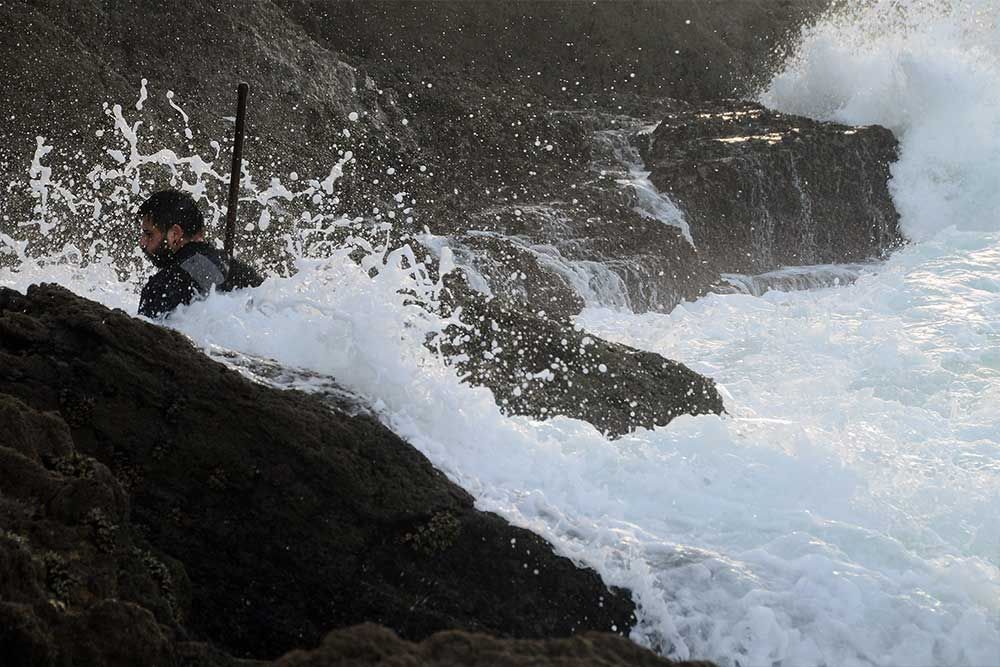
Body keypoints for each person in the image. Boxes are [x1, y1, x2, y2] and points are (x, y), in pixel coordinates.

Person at [137, 189, 263, 318]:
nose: (142, 243)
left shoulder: (162, 287)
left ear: (175, 234)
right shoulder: (242, 274)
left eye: (148, 234)